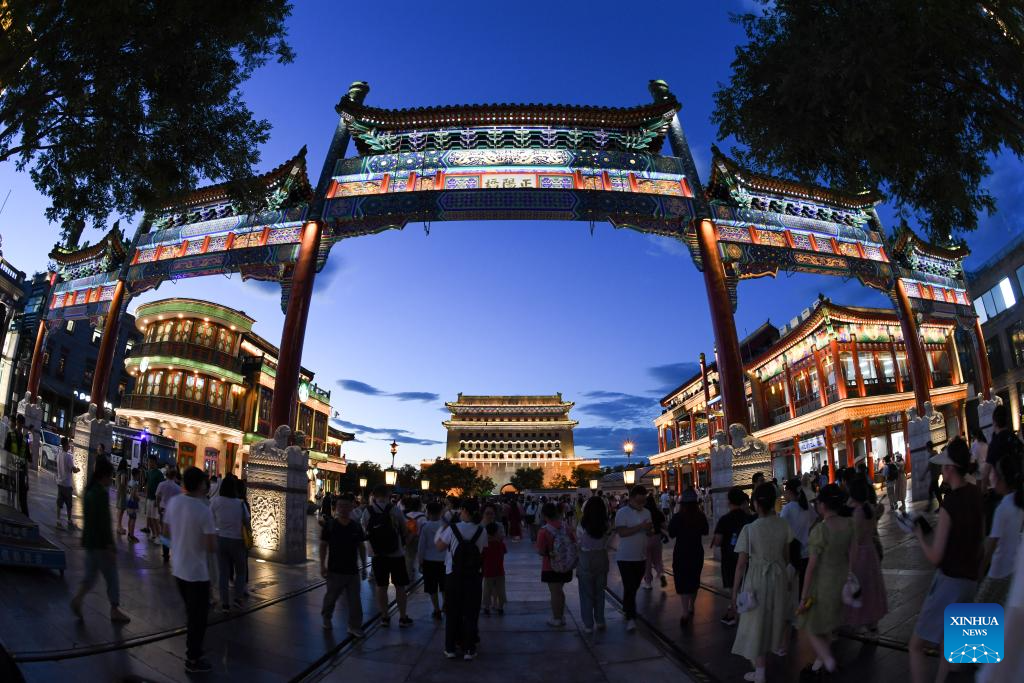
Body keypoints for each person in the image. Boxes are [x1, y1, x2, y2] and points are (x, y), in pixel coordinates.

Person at [908, 437, 984, 683]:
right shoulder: (976, 493)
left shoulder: (949, 504)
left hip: (949, 582)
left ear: (950, 469)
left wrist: (920, 536)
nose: (941, 470)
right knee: (952, 648)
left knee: (916, 646)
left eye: (943, 466)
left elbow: (935, 557)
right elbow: (981, 540)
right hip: (971, 580)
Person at [730, 482, 793, 683]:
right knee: (775, 617)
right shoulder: (783, 524)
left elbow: (741, 565)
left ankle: (760, 672)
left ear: (756, 504)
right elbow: (786, 556)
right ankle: (778, 649)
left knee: (756, 623)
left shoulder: (749, 529)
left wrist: (734, 592)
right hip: (779, 576)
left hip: (757, 580)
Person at [796, 483, 853, 675]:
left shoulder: (820, 531)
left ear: (823, 505)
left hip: (823, 584)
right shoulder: (849, 524)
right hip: (842, 581)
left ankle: (827, 660)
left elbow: (811, 567)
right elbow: (852, 555)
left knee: (810, 625)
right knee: (829, 624)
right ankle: (819, 662)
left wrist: (803, 596)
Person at [164, 467, 216, 674]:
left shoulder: (174, 502)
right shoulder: (204, 510)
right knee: (198, 618)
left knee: (191, 613)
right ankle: (193, 658)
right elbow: (211, 546)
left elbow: (165, 533)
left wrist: (180, 542)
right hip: (197, 573)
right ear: (200, 484)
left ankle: (193, 653)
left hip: (178, 569)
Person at [70, 458, 131, 624]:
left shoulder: (89, 491)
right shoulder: (101, 494)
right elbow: (104, 522)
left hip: (90, 542)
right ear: (103, 476)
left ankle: (78, 599)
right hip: (102, 545)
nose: (111, 480)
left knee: (90, 576)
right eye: (110, 476)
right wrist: (110, 546)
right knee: (112, 577)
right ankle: (114, 609)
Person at [435, 498, 486, 660]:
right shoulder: (481, 530)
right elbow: (482, 551)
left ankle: (450, 648)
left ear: (463, 510)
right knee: (471, 613)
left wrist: (442, 528)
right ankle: (469, 649)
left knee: (452, 612)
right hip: (473, 576)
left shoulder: (452, 528)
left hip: (453, 575)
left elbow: (439, 546)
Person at [975, 450, 1023, 606]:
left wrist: (980, 571)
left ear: (1002, 479)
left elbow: (991, 547)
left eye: (994, 474)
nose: (991, 478)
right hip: (1013, 568)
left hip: (998, 571)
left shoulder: (1002, 508)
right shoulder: (1018, 502)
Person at [363, 484, 412, 627]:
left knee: (381, 586)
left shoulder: (367, 511)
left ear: (374, 495)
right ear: (388, 495)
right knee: (400, 586)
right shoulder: (394, 509)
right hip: (396, 554)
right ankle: (402, 617)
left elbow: (365, 530)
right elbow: (404, 529)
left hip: (377, 554)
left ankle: (384, 617)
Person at [320, 493, 368, 636]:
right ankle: (327, 617)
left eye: (347, 506)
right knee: (331, 597)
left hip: (352, 570)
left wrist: (364, 566)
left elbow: (361, 546)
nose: (343, 509)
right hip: (335, 570)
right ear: (336, 508)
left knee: (355, 601)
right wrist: (322, 565)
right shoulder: (330, 525)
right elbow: (323, 545)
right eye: (340, 506)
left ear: (352, 507)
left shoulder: (356, 527)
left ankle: (354, 626)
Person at [845, 477, 888, 631]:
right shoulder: (868, 507)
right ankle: (873, 623)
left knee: (861, 587)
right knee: (871, 587)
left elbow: (856, 540)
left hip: (861, 554)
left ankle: (864, 620)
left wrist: (850, 565)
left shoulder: (858, 513)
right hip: (871, 551)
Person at [712, 487, 755, 626]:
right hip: (749, 557)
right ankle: (746, 614)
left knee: (734, 588)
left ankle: (737, 614)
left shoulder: (725, 519)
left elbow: (718, 541)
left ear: (729, 502)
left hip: (730, 559)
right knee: (747, 586)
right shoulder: (750, 518)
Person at [614, 485, 653, 632]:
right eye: (639, 501)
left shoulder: (647, 512)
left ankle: (626, 607)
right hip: (625, 557)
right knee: (630, 586)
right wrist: (641, 527)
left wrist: (649, 530)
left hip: (641, 556)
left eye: (643, 501)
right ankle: (631, 617)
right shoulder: (622, 513)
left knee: (633, 586)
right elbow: (622, 532)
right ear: (631, 498)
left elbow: (648, 531)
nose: (641, 504)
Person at [668, 487, 708, 625]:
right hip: (696, 551)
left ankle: (685, 611)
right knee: (694, 579)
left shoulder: (677, 517)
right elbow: (705, 531)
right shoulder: (700, 516)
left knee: (683, 581)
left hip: (681, 552)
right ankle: (692, 605)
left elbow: (671, 533)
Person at [210, 475, 250, 612]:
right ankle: (238, 599)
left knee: (223, 573)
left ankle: (225, 604)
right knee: (241, 571)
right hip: (237, 541)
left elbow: (210, 518)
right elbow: (247, 522)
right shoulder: (240, 503)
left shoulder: (215, 502)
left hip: (220, 539)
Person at [536, 501, 577, 627]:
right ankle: (561, 615)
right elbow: (574, 542)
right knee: (560, 591)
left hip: (551, 566)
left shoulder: (544, 531)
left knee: (555, 592)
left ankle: (557, 618)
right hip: (567, 564)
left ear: (544, 515)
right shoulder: (566, 527)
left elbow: (541, 551)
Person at [576, 496, 610, 633]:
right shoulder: (605, 524)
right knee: (600, 592)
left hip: (585, 558)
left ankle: (588, 624)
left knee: (586, 593)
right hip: (601, 557)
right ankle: (600, 620)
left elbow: (578, 542)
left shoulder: (582, 524)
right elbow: (608, 542)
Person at [780, 478, 815, 596]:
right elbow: (817, 518)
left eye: (785, 491)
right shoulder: (806, 505)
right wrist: (808, 531)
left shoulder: (787, 509)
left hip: (794, 552)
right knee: (805, 585)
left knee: (793, 586)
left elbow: (781, 529)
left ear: (789, 492)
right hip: (807, 551)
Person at [417, 501, 447, 620]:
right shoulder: (446, 526)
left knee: (432, 587)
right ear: (441, 512)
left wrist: (420, 562)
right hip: (444, 561)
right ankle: (446, 604)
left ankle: (436, 609)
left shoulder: (425, 527)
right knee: (444, 586)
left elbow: (421, 546)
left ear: (428, 512)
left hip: (429, 561)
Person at [5, 414, 30, 516]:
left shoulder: (25, 439)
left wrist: (27, 477)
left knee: (20, 493)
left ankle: (21, 513)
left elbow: (26, 458)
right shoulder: (11, 435)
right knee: (11, 491)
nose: (20, 425)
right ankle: (12, 509)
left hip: (20, 471)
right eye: (19, 423)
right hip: (12, 469)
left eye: (21, 423)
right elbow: (6, 453)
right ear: (17, 423)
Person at [156, 466, 181, 563]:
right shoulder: (178, 488)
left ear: (166, 475)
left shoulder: (161, 484)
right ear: (174, 476)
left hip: (163, 509)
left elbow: (158, 497)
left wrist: (158, 507)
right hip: (173, 511)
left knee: (164, 532)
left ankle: (165, 552)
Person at [642, 493, 667, 590]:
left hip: (646, 538)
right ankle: (661, 574)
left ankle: (648, 583)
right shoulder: (658, 513)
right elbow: (664, 526)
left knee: (647, 561)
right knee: (658, 559)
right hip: (657, 537)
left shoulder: (643, 513)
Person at [481, 522, 507, 615]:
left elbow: (482, 557)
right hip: (500, 570)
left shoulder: (484, 545)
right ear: (496, 532)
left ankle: (486, 607)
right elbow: (504, 552)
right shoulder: (501, 544)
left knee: (487, 590)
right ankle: (500, 607)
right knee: (501, 589)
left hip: (488, 571)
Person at [56, 436, 79, 530]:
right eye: (68, 445)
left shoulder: (59, 455)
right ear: (65, 445)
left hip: (60, 482)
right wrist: (78, 469)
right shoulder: (68, 456)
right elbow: (73, 469)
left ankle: (58, 520)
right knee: (69, 504)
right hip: (67, 484)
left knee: (59, 503)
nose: (69, 446)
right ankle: (69, 521)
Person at [403, 496, 426, 581]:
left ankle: (408, 576)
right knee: (421, 557)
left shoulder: (405, 516)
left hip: (409, 539)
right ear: (419, 506)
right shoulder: (423, 517)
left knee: (409, 558)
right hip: (419, 539)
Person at [143, 454, 164, 541]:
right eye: (148, 461)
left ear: (154, 462)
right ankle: (154, 534)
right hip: (149, 498)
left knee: (155, 519)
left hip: (155, 499)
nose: (148, 463)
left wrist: (158, 500)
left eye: (150, 462)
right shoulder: (149, 472)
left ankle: (158, 537)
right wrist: (146, 495)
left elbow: (161, 488)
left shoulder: (159, 474)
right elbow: (147, 484)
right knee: (150, 518)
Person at [114, 457, 129, 534]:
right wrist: (126, 487)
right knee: (121, 509)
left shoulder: (118, 472)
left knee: (119, 509)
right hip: (122, 493)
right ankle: (119, 527)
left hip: (118, 492)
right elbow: (123, 482)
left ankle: (119, 526)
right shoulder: (123, 472)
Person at [125, 469, 140, 542]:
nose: (139, 476)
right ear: (136, 475)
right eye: (138, 475)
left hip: (128, 501)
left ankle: (129, 534)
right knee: (133, 519)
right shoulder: (135, 484)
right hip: (133, 503)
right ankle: (131, 535)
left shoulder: (130, 482)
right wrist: (138, 498)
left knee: (130, 518)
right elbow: (134, 494)